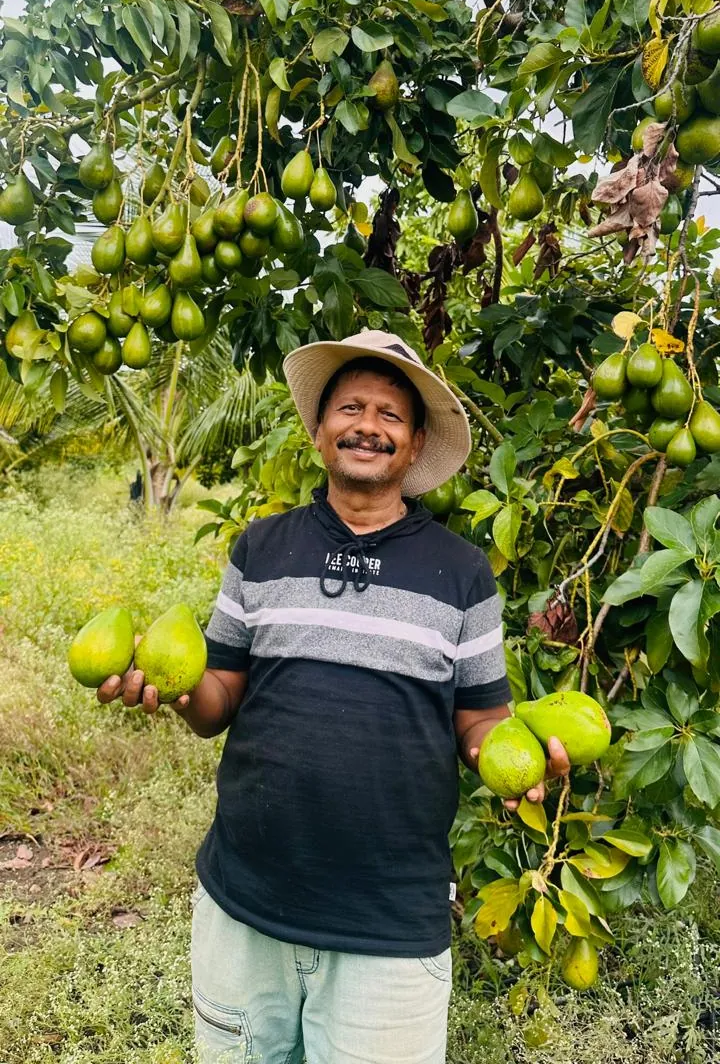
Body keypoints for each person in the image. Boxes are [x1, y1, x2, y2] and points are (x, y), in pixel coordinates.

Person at [98, 328, 570, 1063]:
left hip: (388, 919)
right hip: (245, 903)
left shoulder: (462, 572)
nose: (368, 426)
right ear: (320, 432)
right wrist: (174, 691)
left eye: (390, 414)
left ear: (414, 448)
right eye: (350, 407)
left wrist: (514, 767)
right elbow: (219, 696)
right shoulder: (260, 548)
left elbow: (481, 722)